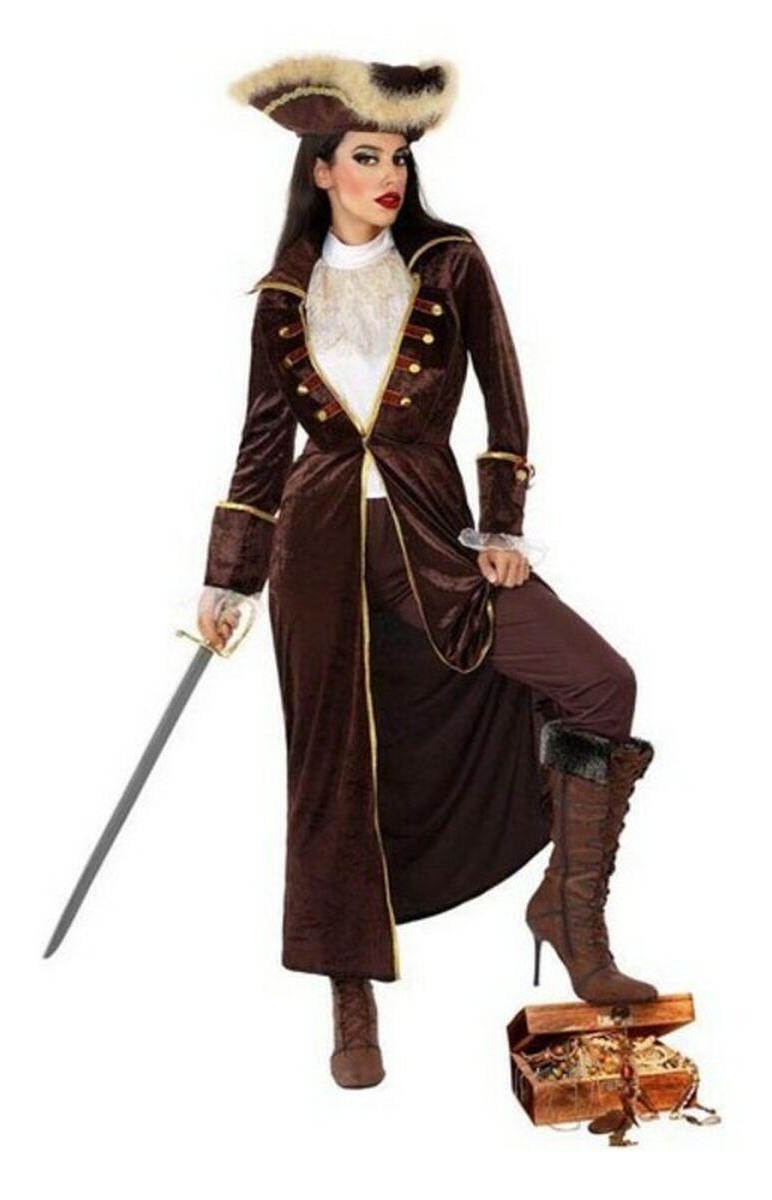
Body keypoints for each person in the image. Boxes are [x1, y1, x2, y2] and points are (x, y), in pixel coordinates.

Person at [198, 55, 660, 1089]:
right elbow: (261, 449)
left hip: (434, 541)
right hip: (315, 553)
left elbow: (507, 398)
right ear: (322, 169)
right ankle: (349, 997)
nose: (388, 175)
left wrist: (501, 527)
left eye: (399, 157)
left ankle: (571, 912)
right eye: (366, 157)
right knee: (332, 769)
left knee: (598, 681)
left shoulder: (450, 263)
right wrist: (228, 581)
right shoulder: (281, 296)